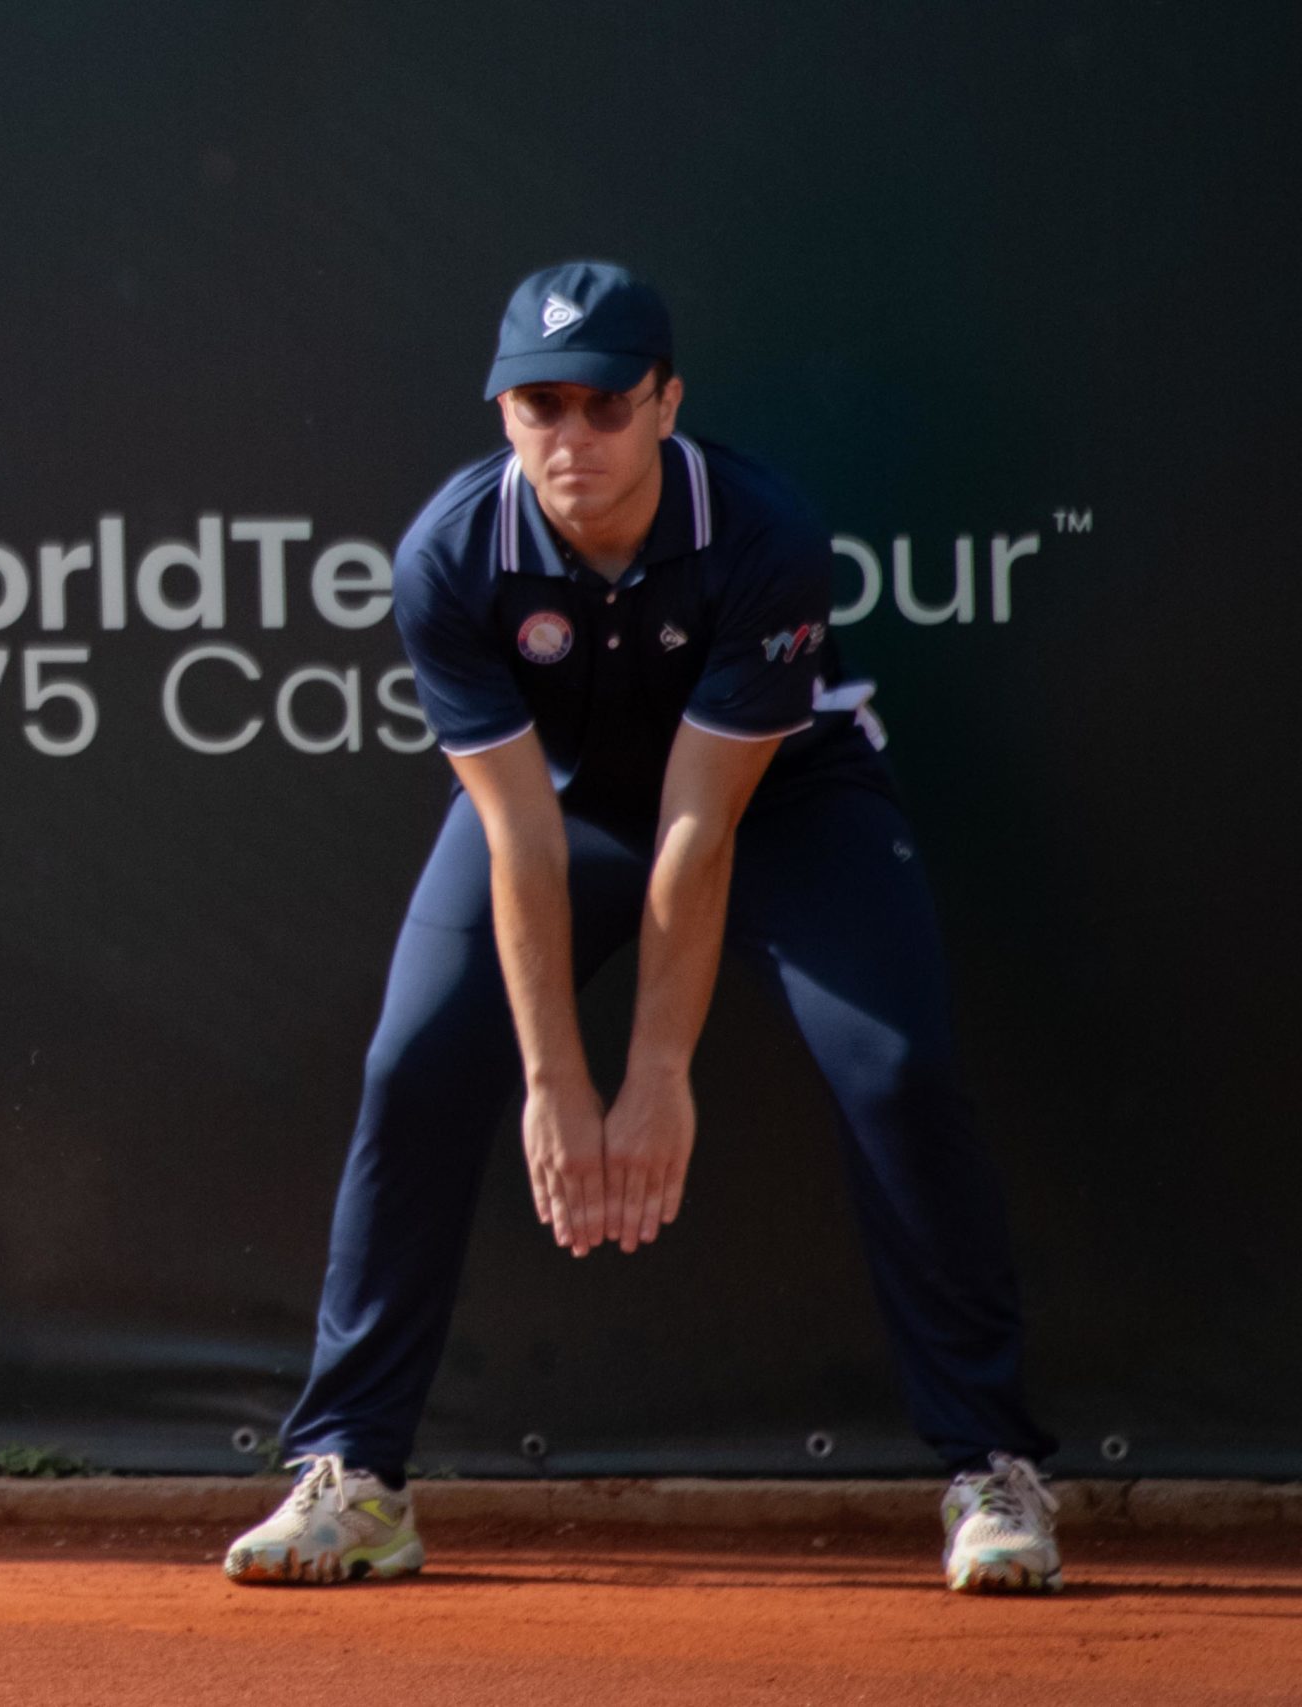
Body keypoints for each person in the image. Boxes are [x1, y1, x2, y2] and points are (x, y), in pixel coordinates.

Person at [222, 263, 1061, 1594]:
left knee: (894, 1067)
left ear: (665, 402)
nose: (572, 437)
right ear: (502, 413)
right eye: (539, 404)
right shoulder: (450, 554)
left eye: (606, 404)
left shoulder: (763, 531)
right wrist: (556, 1079)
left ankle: (991, 1468)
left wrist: (657, 1071)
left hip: (781, 799)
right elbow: (517, 833)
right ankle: (355, 1475)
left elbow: (698, 827)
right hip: (555, 808)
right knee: (414, 1067)